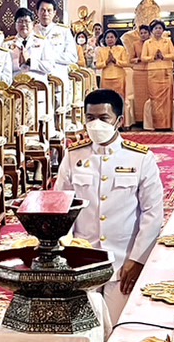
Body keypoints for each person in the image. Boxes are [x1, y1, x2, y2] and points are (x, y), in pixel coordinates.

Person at [54, 89, 164, 324]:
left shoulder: (140, 158)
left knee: (118, 328)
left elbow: (153, 213)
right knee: (84, 331)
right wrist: (64, 254)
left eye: (103, 118)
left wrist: (138, 259)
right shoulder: (74, 156)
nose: (95, 124)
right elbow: (60, 206)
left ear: (119, 121)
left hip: (123, 263)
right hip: (82, 262)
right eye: (90, 118)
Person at [140, 21, 174, 130]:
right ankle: (156, 124)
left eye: (160, 28)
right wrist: (153, 57)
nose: (158, 30)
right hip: (153, 72)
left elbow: (173, 54)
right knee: (155, 98)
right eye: (156, 28)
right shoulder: (148, 43)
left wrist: (164, 56)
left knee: (167, 98)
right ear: (152, 30)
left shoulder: (168, 41)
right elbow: (143, 57)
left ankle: (167, 124)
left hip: (166, 71)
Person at [33, 0, 76, 68]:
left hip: (59, 72)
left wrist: (48, 56)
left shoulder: (63, 31)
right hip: (38, 74)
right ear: (37, 12)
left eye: (49, 10)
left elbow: (72, 57)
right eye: (42, 10)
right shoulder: (32, 31)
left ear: (54, 13)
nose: (46, 13)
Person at [94, 29, 129, 100]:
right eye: (107, 37)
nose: (110, 39)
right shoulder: (100, 50)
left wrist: (115, 61)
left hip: (119, 77)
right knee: (106, 98)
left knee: (119, 98)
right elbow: (97, 65)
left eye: (112, 37)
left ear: (116, 39)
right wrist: (106, 62)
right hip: (106, 78)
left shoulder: (121, 49)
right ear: (105, 40)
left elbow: (126, 63)